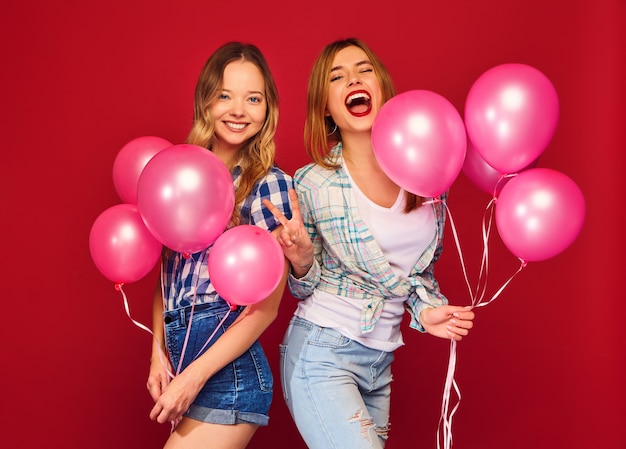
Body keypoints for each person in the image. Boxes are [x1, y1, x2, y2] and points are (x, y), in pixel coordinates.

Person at [263, 38, 475, 449]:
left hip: (381, 362)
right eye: (337, 77)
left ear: (381, 87)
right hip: (323, 352)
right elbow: (302, 287)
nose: (353, 80)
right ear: (326, 106)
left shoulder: (426, 173)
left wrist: (427, 312)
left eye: (364, 70)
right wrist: (303, 260)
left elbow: (419, 274)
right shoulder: (313, 183)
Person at [146, 42, 293, 449]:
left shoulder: (271, 187)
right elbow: (166, 276)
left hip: (228, 370)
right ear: (205, 101)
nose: (238, 109)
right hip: (180, 353)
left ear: (268, 109)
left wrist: (193, 378)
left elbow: (266, 307)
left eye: (253, 98)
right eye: (224, 95)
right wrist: (157, 353)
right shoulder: (182, 174)